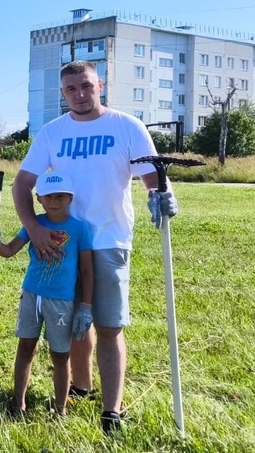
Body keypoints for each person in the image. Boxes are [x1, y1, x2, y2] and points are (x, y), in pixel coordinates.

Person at [13, 60, 178, 433]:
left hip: (107, 239)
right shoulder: (52, 133)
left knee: (107, 324)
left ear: (99, 84)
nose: (80, 95)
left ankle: (111, 410)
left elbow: (154, 178)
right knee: (73, 321)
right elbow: (22, 184)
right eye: (71, 89)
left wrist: (164, 198)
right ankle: (81, 386)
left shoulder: (126, 126)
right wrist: (33, 229)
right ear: (62, 94)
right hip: (59, 242)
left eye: (86, 86)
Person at [0, 172, 94, 417]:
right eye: (48, 197)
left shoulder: (79, 229)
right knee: (26, 347)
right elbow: (9, 250)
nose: (54, 201)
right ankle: (18, 403)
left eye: (60, 196)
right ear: (39, 199)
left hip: (62, 301)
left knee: (60, 355)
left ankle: (60, 409)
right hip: (32, 296)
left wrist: (86, 306)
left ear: (70, 198)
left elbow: (87, 269)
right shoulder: (34, 225)